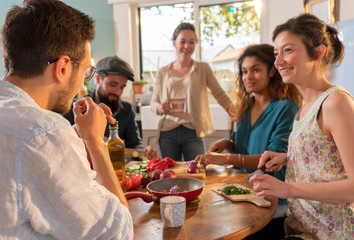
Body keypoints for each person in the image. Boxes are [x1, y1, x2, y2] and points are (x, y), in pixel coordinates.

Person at [0, 0, 133, 239]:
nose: (84, 82)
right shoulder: (44, 134)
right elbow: (116, 233)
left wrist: (74, 138)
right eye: (87, 71)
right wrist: (95, 143)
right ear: (63, 67)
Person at [249, 14, 354, 240]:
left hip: (330, 232)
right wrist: (289, 158)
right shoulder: (305, 105)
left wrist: (287, 189)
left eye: (287, 50)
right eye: (277, 54)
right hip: (299, 225)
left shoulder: (336, 102)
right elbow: (327, 157)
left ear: (317, 53)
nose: (277, 62)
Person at [195, 44, 301, 239]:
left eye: (255, 70)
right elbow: (241, 145)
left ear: (272, 71)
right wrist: (227, 143)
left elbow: (270, 161)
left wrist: (226, 160)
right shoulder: (245, 106)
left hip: (270, 198)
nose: (248, 77)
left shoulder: (286, 108)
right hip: (241, 190)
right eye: (244, 71)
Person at [150, 22, 235, 161]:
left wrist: (236, 115)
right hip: (168, 131)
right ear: (174, 43)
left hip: (193, 131)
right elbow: (154, 101)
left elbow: (219, 94)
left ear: (196, 44)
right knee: (170, 176)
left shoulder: (203, 68)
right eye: (182, 41)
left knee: (197, 173)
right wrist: (159, 108)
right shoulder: (162, 72)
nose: (187, 46)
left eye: (191, 42)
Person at [63, 56, 157, 159]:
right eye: (113, 85)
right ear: (98, 79)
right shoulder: (75, 108)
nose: (118, 92)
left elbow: (135, 143)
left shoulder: (127, 110)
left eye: (122, 87)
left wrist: (143, 151)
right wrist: (89, 140)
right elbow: (61, 144)